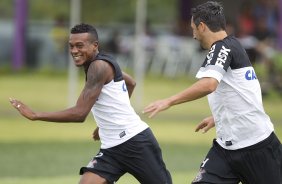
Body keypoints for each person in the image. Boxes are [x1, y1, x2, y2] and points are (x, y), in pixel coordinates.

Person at [10, 23, 172, 184]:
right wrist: (106, 123)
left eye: (80, 46)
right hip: (111, 147)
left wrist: (35, 115)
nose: (74, 51)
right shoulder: (104, 61)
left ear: (95, 45)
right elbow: (131, 83)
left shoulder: (98, 67)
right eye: (71, 46)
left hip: (135, 143)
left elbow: (80, 114)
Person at [143, 1, 282, 184]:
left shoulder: (222, 48)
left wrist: (169, 101)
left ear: (202, 26)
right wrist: (219, 116)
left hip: (257, 147)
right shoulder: (232, 46)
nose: (193, 35)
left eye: (193, 28)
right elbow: (244, 93)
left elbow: (209, 84)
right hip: (225, 150)